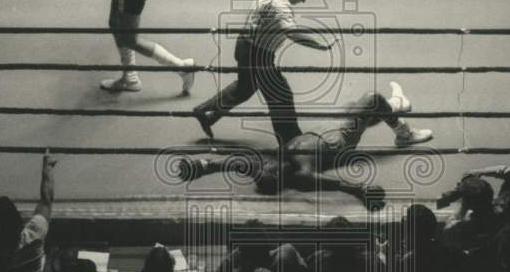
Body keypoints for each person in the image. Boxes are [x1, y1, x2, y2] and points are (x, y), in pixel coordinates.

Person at [181, 82, 432, 207]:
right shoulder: (301, 171)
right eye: (268, 170)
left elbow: (238, 163)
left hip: (322, 130)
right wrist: (359, 189)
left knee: (357, 108)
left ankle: (398, 104)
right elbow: (329, 183)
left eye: (263, 168)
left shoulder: (274, 165)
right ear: (279, 175)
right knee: (372, 99)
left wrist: (203, 166)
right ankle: (404, 134)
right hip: (339, 138)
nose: (265, 166)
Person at [191, 0, 327, 145]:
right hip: (257, 53)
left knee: (245, 87)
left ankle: (205, 112)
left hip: (245, 44)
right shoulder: (280, 5)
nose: (303, 1)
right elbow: (293, 33)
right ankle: (291, 142)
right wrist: (320, 45)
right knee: (280, 93)